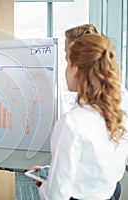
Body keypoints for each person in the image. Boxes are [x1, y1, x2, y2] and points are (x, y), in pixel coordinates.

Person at [33, 34, 128, 199]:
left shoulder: (72, 123)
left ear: (76, 69)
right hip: (111, 193)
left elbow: (56, 195)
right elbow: (92, 167)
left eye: (67, 63)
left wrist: (45, 184)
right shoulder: (118, 110)